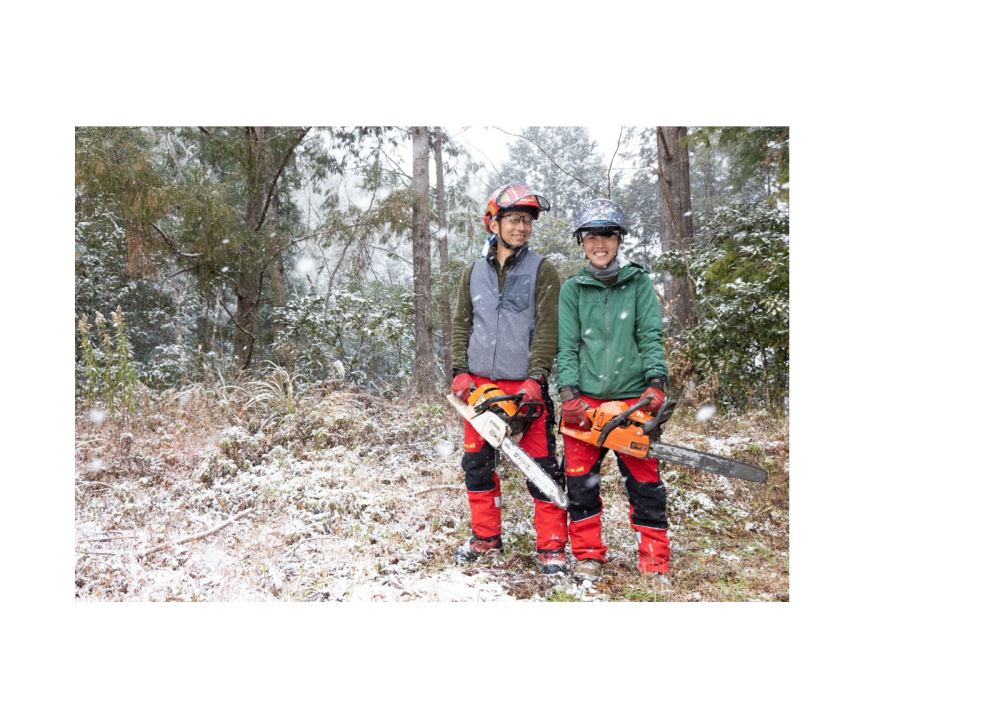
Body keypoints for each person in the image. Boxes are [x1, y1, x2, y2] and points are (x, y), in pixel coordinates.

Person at [449, 182, 567, 574]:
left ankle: (551, 545)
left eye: (528, 221)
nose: (522, 227)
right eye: (514, 219)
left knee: (542, 467)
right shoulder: (473, 271)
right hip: (480, 387)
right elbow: (461, 325)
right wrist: (459, 372)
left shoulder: (542, 270)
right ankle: (485, 537)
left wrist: (537, 377)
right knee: (478, 465)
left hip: (524, 385)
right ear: (494, 222)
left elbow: (549, 328)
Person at [556, 198, 672, 589]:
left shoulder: (638, 283)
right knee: (580, 485)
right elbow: (567, 346)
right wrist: (569, 393)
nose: (599, 244)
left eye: (607, 235)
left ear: (618, 239)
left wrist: (656, 382)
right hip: (585, 401)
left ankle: (654, 560)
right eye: (591, 237)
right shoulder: (573, 289)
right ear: (582, 242)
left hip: (632, 398)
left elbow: (650, 336)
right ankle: (588, 557)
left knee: (645, 483)